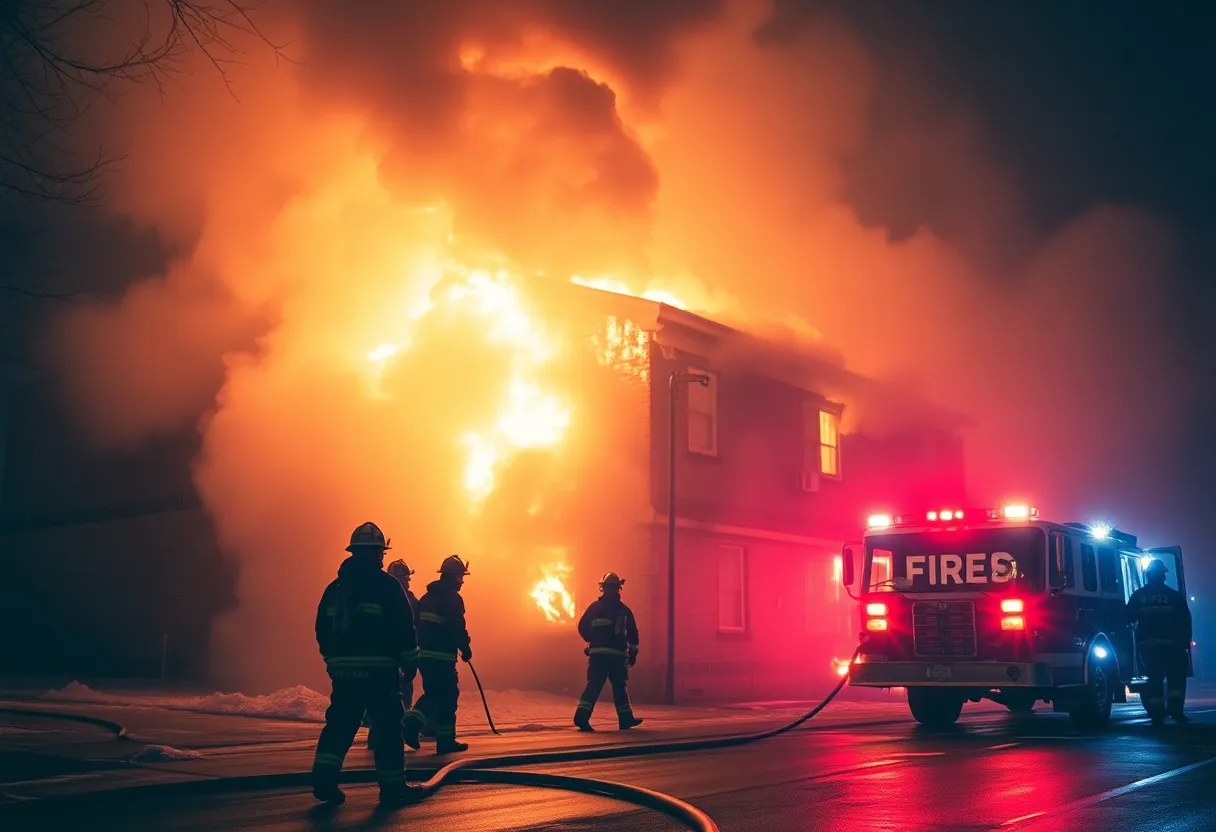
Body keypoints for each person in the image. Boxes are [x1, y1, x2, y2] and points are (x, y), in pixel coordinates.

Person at [310, 522, 424, 806]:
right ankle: (393, 788)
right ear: (377, 553)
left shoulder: (335, 588)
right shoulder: (387, 586)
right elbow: (403, 628)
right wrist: (410, 664)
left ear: (353, 552)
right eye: (381, 553)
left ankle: (324, 780)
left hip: (345, 676)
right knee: (387, 731)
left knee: (339, 725)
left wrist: (334, 663)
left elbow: (321, 630)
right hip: (379, 675)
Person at [403, 555, 472, 753]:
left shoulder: (427, 598)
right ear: (451, 577)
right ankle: (412, 724)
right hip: (441, 658)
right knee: (445, 695)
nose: (462, 581)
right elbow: (456, 626)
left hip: (425, 657)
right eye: (460, 577)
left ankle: (444, 740)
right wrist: (465, 647)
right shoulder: (452, 598)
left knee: (438, 695)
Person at [573, 572, 643, 732]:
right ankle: (625, 719)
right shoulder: (624, 611)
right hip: (617, 657)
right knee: (619, 686)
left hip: (598, 655)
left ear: (602, 588)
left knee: (594, 685)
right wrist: (633, 653)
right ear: (619, 588)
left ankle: (582, 717)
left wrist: (592, 640)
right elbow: (633, 634)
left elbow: (582, 626)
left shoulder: (595, 608)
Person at [1127, 558, 1193, 725]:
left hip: (1149, 648)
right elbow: (1185, 620)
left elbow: (1128, 617)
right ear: (1162, 576)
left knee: (1154, 679)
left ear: (1148, 575)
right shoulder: (1173, 596)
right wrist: (1185, 642)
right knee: (1176, 680)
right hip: (1173, 646)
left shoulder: (1138, 596)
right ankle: (1176, 711)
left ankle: (1157, 713)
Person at [367, 560, 420, 751]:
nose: (407, 582)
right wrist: (412, 660)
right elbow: (412, 632)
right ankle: (394, 739)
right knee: (397, 702)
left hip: (383, 661)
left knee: (380, 702)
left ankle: (376, 739)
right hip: (397, 662)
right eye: (405, 578)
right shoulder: (408, 601)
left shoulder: (376, 595)